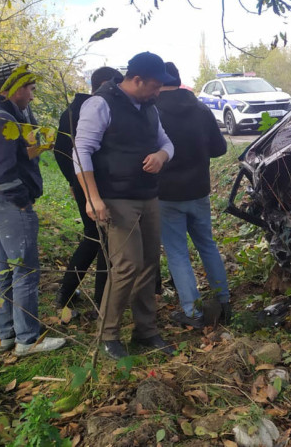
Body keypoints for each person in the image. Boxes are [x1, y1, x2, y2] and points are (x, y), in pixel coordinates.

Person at [73, 52, 176, 360]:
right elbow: (81, 151)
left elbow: (166, 143)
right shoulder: (101, 104)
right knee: (127, 265)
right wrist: (92, 197)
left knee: (148, 265)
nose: (158, 92)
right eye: (155, 85)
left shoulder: (149, 108)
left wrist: (161, 156)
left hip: (147, 196)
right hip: (116, 198)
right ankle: (108, 334)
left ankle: (145, 331)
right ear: (136, 80)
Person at [0, 64, 66, 356]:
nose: (32, 96)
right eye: (30, 89)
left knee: (4, 269)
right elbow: (4, 173)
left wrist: (39, 147)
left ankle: (6, 334)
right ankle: (27, 338)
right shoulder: (3, 121)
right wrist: (23, 200)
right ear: (15, 88)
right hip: (10, 205)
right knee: (25, 271)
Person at [155, 62, 231, 329]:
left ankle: (193, 313)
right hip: (199, 191)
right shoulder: (200, 108)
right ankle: (224, 300)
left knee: (177, 254)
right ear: (179, 79)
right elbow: (220, 149)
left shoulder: (152, 111)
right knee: (207, 245)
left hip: (166, 195)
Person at [54, 67, 124, 312]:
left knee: (94, 238)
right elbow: (64, 151)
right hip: (96, 187)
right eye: (117, 84)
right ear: (105, 84)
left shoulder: (73, 110)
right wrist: (76, 183)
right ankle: (100, 302)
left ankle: (68, 292)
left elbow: (59, 152)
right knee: (102, 239)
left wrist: (73, 182)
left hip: (89, 185)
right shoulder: (87, 109)